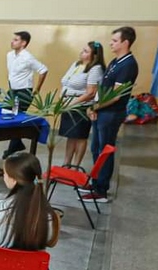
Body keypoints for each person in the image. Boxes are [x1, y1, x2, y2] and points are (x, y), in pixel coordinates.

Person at [85, 26, 139, 204]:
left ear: (125, 42)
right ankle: (94, 183)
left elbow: (115, 95)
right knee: (95, 149)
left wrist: (96, 107)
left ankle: (101, 190)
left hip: (111, 114)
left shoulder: (128, 64)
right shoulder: (115, 61)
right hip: (101, 111)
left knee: (104, 151)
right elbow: (103, 88)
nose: (111, 43)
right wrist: (94, 107)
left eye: (115, 41)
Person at [59, 42, 106, 168]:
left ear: (94, 55)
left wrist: (72, 103)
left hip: (81, 106)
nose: (82, 52)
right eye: (82, 50)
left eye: (86, 51)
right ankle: (66, 163)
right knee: (71, 135)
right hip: (67, 104)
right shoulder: (76, 64)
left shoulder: (95, 69)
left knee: (80, 136)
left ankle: (75, 166)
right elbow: (65, 82)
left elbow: (91, 92)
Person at [4, 31, 48, 158]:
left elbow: (43, 70)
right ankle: (17, 143)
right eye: (13, 39)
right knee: (6, 113)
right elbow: (11, 73)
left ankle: (13, 146)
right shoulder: (10, 55)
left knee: (16, 116)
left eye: (16, 40)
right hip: (13, 90)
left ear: (23, 43)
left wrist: (37, 89)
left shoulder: (28, 57)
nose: (12, 41)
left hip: (24, 91)